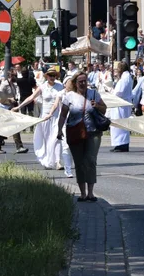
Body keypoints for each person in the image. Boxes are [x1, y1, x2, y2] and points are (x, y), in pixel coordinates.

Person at [58, 71, 107, 201]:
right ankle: (83, 193)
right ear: (75, 83)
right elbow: (63, 115)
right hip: (75, 131)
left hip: (93, 132)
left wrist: (97, 105)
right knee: (79, 163)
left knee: (90, 161)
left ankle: (91, 193)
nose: (83, 84)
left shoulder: (93, 94)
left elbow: (104, 108)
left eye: (85, 81)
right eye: (80, 81)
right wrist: (59, 130)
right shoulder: (69, 96)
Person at [34, 68, 74, 176]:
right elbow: (32, 98)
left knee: (56, 139)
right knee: (47, 139)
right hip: (46, 116)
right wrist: (19, 106)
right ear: (46, 76)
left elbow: (64, 97)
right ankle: (48, 159)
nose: (52, 77)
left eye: (54, 75)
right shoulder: (42, 87)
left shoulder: (60, 86)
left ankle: (57, 161)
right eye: (50, 75)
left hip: (58, 116)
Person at [107, 61, 134, 152]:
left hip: (121, 104)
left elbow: (119, 92)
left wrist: (110, 90)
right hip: (121, 104)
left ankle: (122, 144)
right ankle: (119, 144)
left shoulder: (124, 79)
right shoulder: (126, 77)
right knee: (118, 124)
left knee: (120, 124)